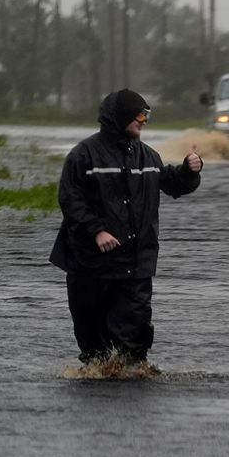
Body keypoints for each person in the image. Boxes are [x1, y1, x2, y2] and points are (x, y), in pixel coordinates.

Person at [50, 88, 203, 365]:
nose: (143, 121)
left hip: (136, 264)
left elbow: (173, 184)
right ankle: (99, 382)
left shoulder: (149, 157)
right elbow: (70, 200)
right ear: (120, 117)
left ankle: (131, 380)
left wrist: (188, 172)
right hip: (91, 265)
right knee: (95, 346)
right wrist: (97, 231)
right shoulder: (83, 156)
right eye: (139, 116)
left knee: (133, 342)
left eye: (146, 116)